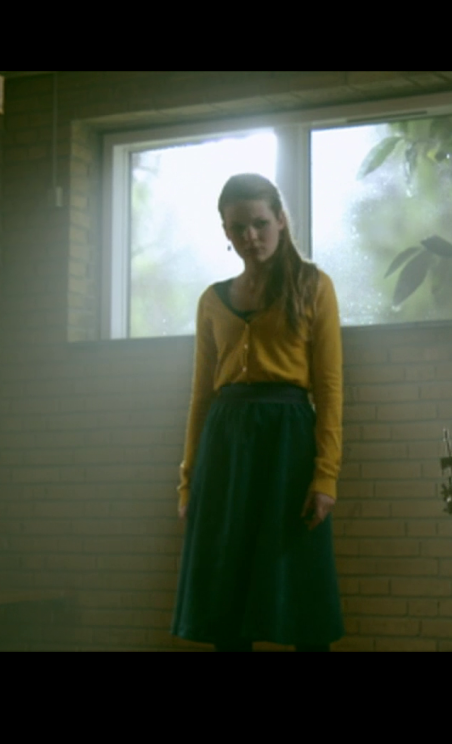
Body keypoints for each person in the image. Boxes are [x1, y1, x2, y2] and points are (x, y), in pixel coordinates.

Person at [171, 173, 344, 653]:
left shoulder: (313, 286)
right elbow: (200, 397)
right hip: (225, 447)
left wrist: (325, 475)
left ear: (281, 220)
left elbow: (330, 388)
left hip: (288, 443)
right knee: (227, 584)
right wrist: (188, 480)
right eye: (238, 226)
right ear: (225, 231)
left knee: (300, 581)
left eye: (260, 223)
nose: (250, 235)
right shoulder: (212, 300)